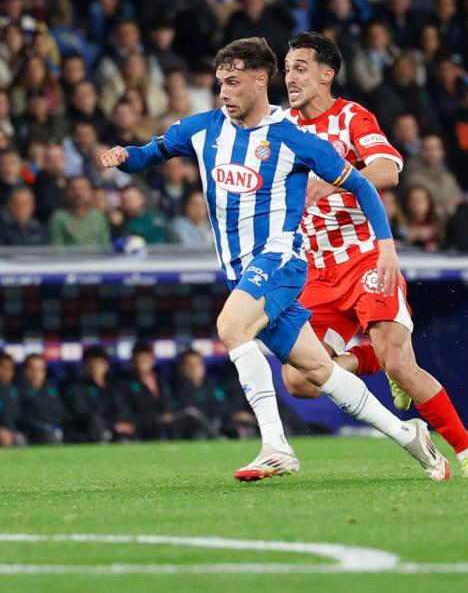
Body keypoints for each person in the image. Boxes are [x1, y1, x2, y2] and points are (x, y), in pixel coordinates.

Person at [98, 36, 449, 482]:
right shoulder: (203, 128)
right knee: (318, 370)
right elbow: (148, 154)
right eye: (220, 82)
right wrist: (122, 156)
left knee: (231, 327)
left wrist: (385, 246)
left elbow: (361, 185)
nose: (224, 92)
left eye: (234, 82)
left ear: (261, 80)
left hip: (281, 260)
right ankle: (409, 436)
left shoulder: (290, 137)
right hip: (240, 270)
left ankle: (275, 446)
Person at [281, 31, 467, 477]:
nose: (289, 77)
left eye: (300, 68)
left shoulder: (351, 118)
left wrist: (329, 181)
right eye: (287, 69)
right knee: (298, 380)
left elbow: (388, 168)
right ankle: (373, 360)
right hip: (316, 271)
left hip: (364, 257)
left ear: (327, 75)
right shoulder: (279, 128)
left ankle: (463, 449)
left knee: (402, 362)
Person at [15, 354, 65, 445]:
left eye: (40, 369)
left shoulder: (50, 390)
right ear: (25, 371)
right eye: (32, 369)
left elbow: (59, 413)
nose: (36, 373)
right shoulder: (17, 390)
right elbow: (18, 416)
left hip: (50, 431)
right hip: (26, 433)